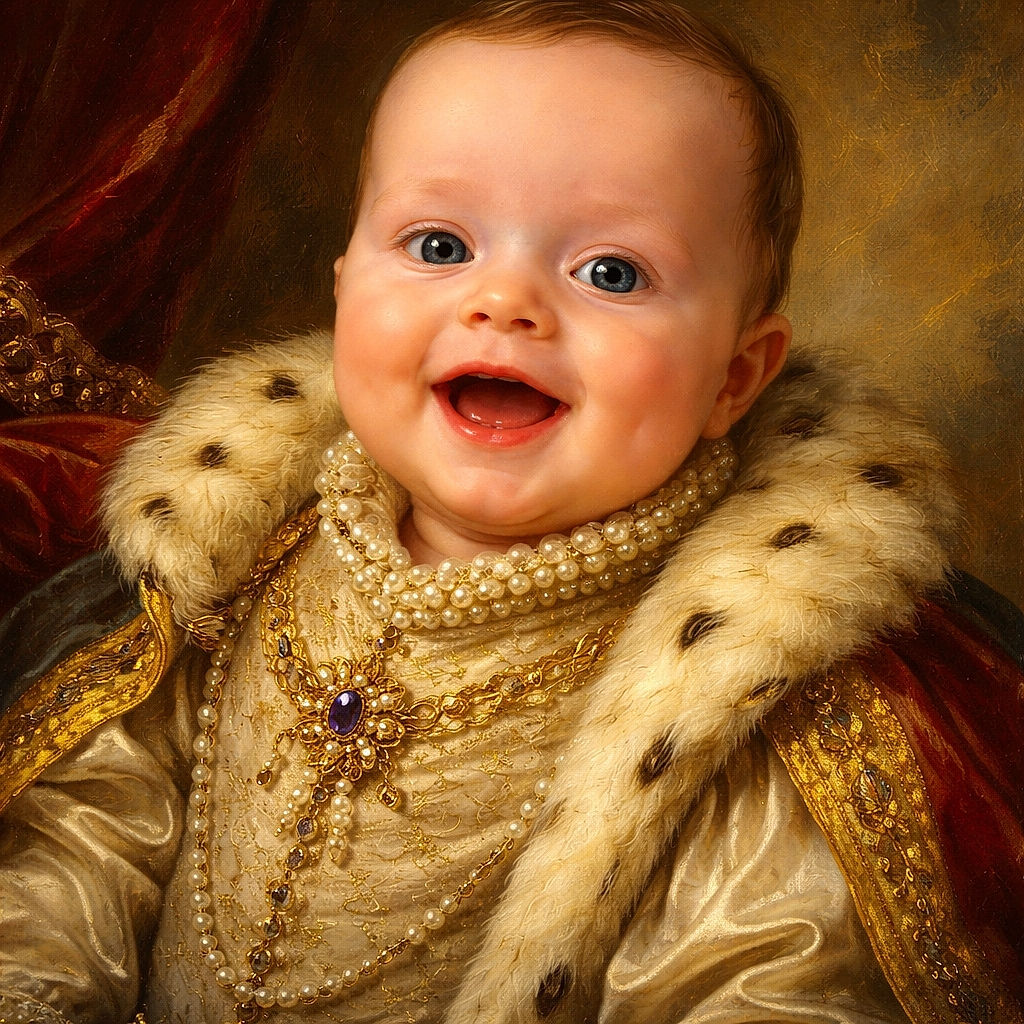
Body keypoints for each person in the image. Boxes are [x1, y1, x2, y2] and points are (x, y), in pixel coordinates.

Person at [0, 2, 1021, 1022]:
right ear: (345, 289)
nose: (505, 302)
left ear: (733, 378)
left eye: (610, 273)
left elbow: (758, 982)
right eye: (440, 244)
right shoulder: (239, 553)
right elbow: (92, 835)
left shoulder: (730, 691)